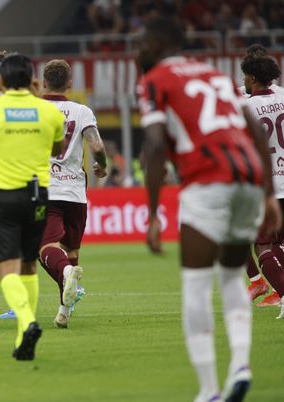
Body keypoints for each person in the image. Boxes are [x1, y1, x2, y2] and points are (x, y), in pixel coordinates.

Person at [138, 17, 281, 402]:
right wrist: (267, 192)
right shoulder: (214, 75)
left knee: (197, 286)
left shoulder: (154, 80)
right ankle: (241, 364)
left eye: (143, 42)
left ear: (157, 45)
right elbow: (251, 123)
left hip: (208, 182)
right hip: (248, 180)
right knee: (235, 277)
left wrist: (152, 214)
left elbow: (153, 146)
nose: (139, 48)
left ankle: (209, 388)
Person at [0, 53, 65, 360]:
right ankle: (24, 338)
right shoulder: (48, 112)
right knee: (29, 264)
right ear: (32, 78)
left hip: (1, 197)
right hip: (37, 195)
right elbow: (57, 149)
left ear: (4, 80)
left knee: (7, 267)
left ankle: (27, 322)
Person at [0, 59, 108, 327]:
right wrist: (102, 165)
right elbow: (96, 145)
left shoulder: (34, 109)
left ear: (44, 82)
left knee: (44, 247)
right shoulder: (82, 111)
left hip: (45, 189)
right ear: (70, 83)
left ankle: (68, 274)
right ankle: (64, 313)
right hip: (76, 193)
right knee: (71, 249)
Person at [241, 53, 284, 319]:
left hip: (266, 188)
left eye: (244, 75)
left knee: (264, 247)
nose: (242, 80)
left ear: (253, 77)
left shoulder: (244, 108)